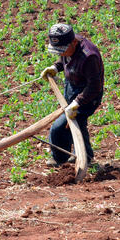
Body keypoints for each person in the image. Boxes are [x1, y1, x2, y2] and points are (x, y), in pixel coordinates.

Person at [40, 23, 104, 166]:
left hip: (88, 95)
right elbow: (63, 58)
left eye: (62, 50)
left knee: (72, 125)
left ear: (74, 42)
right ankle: (63, 157)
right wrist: (55, 68)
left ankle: (85, 158)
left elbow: (94, 86)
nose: (60, 53)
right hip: (72, 87)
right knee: (67, 125)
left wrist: (77, 103)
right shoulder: (68, 47)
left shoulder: (89, 57)